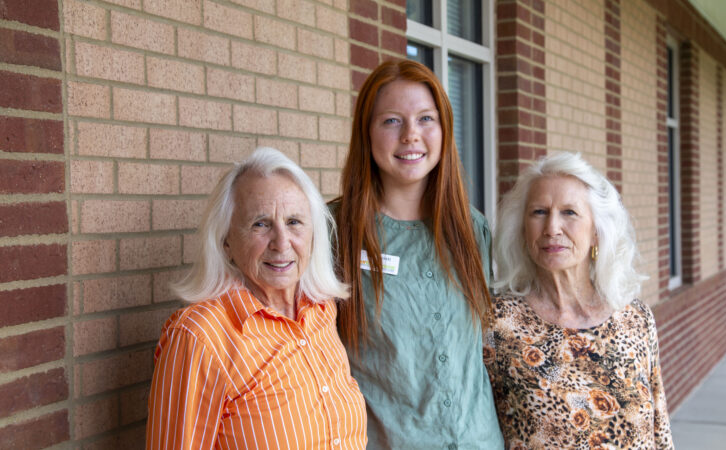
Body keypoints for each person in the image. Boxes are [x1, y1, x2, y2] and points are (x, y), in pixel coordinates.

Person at [332, 59, 504, 449]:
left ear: (444, 130)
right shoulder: (334, 231)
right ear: (367, 132)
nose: (411, 135)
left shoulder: (471, 228)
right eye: (392, 121)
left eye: (426, 119)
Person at [146, 147, 367, 449]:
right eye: (260, 224)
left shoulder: (320, 310)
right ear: (226, 241)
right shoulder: (199, 337)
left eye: (294, 222)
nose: (281, 243)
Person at [485, 152, 674, 449]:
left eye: (569, 213)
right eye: (539, 212)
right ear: (522, 230)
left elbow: (659, 429)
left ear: (597, 231)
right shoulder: (496, 324)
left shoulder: (635, 318)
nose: (552, 228)